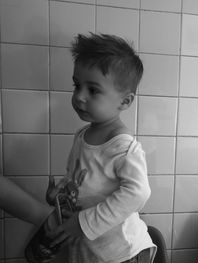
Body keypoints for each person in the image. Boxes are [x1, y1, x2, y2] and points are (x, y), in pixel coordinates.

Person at [46, 33, 156, 263]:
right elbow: (79, 180)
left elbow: (138, 193)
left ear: (125, 101)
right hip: (93, 251)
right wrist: (61, 194)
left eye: (93, 90)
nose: (79, 96)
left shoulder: (123, 146)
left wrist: (86, 222)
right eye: (77, 85)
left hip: (122, 253)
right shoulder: (82, 135)